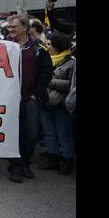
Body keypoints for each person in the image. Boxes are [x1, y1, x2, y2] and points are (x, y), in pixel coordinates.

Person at [5, 14, 53, 183]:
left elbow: (47, 70)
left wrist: (37, 92)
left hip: (29, 98)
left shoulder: (38, 47)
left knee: (31, 134)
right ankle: (15, 167)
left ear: (25, 28)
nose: (11, 30)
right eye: (9, 27)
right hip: (9, 100)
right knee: (14, 134)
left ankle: (25, 163)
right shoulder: (4, 45)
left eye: (14, 27)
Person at [39, 31, 75, 175]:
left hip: (61, 104)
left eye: (49, 44)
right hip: (45, 102)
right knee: (49, 133)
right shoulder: (43, 59)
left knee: (64, 134)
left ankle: (66, 161)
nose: (46, 47)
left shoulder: (71, 62)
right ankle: (53, 158)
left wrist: (49, 81)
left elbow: (71, 85)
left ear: (57, 46)